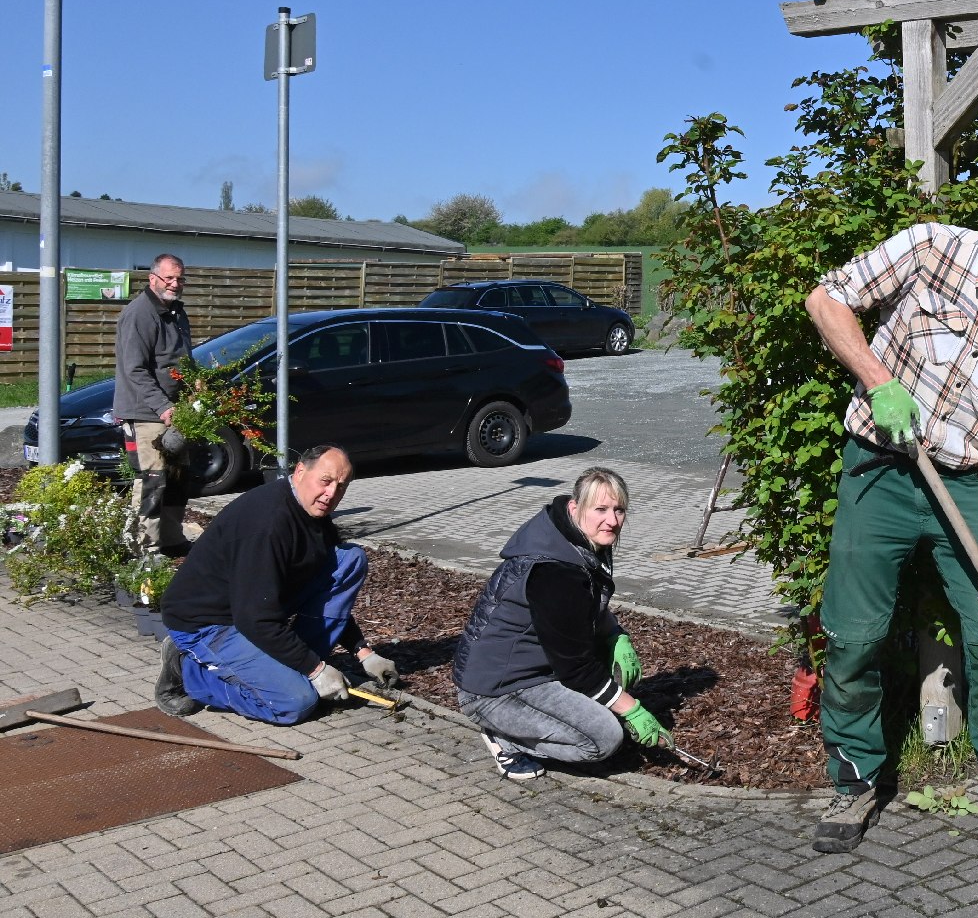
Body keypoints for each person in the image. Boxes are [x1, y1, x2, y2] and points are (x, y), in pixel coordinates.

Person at [802, 192, 978, 890]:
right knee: (854, 633)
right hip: (881, 470)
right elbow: (825, 300)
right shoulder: (931, 248)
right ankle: (856, 779)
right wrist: (878, 381)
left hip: (971, 483)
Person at [451, 467, 669, 782]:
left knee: (609, 696)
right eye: (601, 509)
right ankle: (505, 740)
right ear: (574, 508)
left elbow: (585, 605)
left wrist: (615, 636)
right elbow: (577, 669)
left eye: (619, 510)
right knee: (604, 739)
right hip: (495, 691)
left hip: (535, 671)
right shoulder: (554, 572)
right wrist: (632, 709)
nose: (612, 520)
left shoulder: (572, 542)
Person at [153, 444, 396, 724]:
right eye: (326, 481)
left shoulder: (312, 514)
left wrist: (363, 653)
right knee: (295, 703)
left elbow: (327, 592)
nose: (332, 494)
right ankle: (187, 671)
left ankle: (290, 665)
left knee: (349, 559)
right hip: (207, 623)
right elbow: (254, 620)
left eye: (341, 486)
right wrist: (315, 670)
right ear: (300, 471)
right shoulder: (267, 525)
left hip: (254, 609)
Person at [114, 253, 194, 554]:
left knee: (177, 478)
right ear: (152, 279)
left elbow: (178, 361)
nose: (175, 283)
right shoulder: (139, 314)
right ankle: (143, 547)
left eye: (180, 278)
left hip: (177, 412)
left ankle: (171, 538)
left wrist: (194, 383)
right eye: (169, 278)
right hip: (147, 412)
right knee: (152, 479)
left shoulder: (175, 312)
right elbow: (135, 369)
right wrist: (163, 406)